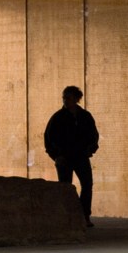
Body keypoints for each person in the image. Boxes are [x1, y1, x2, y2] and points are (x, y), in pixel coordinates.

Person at [44, 85, 100, 227]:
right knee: (65, 188)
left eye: (68, 97)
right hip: (64, 158)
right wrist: (57, 156)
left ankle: (84, 216)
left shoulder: (85, 116)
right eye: (64, 97)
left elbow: (93, 135)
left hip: (81, 157)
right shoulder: (58, 117)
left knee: (87, 185)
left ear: (76, 99)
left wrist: (90, 150)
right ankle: (68, 218)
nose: (65, 100)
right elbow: (48, 138)